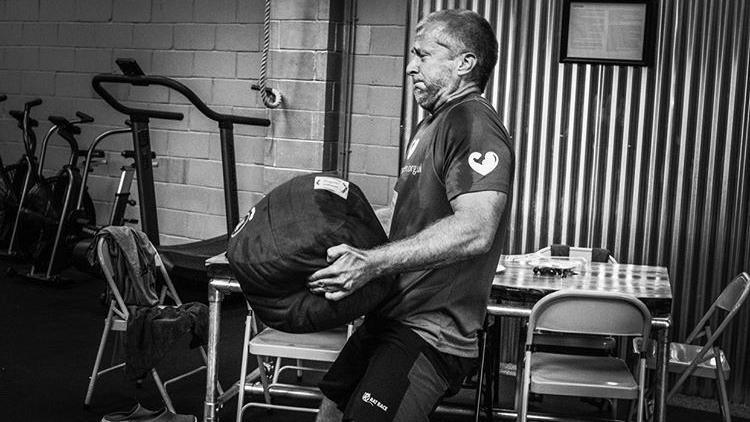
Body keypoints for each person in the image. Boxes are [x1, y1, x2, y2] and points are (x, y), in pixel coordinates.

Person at [307, 9, 514, 422]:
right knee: (331, 407)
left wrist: (371, 262)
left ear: (464, 63)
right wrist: (325, 237)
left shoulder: (473, 122)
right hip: (391, 313)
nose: (410, 66)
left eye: (423, 55)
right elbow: (399, 217)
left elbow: (476, 229)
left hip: (432, 330)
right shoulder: (430, 126)